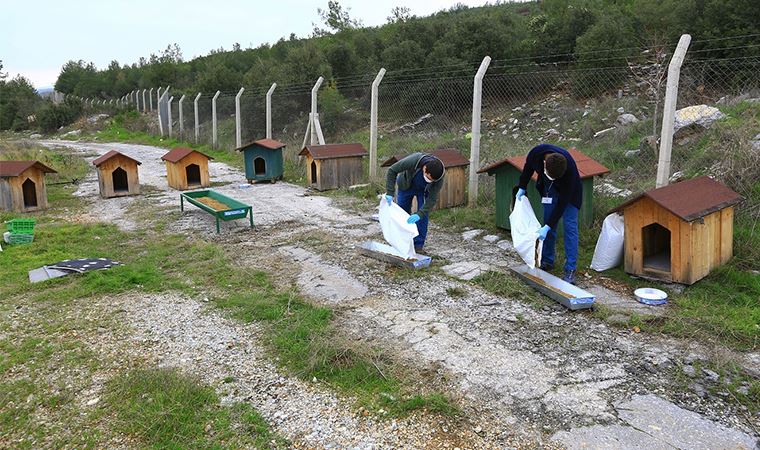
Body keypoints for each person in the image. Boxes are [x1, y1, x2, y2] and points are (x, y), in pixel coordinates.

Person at [516, 144, 581, 284]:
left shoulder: (568, 169)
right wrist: (522, 186)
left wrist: (548, 226)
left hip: (569, 194)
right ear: (544, 164)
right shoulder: (536, 153)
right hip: (549, 191)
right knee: (548, 222)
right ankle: (547, 260)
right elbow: (528, 168)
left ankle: (570, 269)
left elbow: (563, 203)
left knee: (570, 228)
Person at [385, 152, 445, 251]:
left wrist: (419, 214)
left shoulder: (439, 176)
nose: (429, 180)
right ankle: (401, 241)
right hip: (406, 186)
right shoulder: (414, 160)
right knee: (402, 213)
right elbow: (392, 170)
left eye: (432, 180)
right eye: (428, 178)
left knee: (423, 215)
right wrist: (390, 192)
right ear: (424, 169)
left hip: (424, 191)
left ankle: (418, 245)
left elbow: (432, 198)